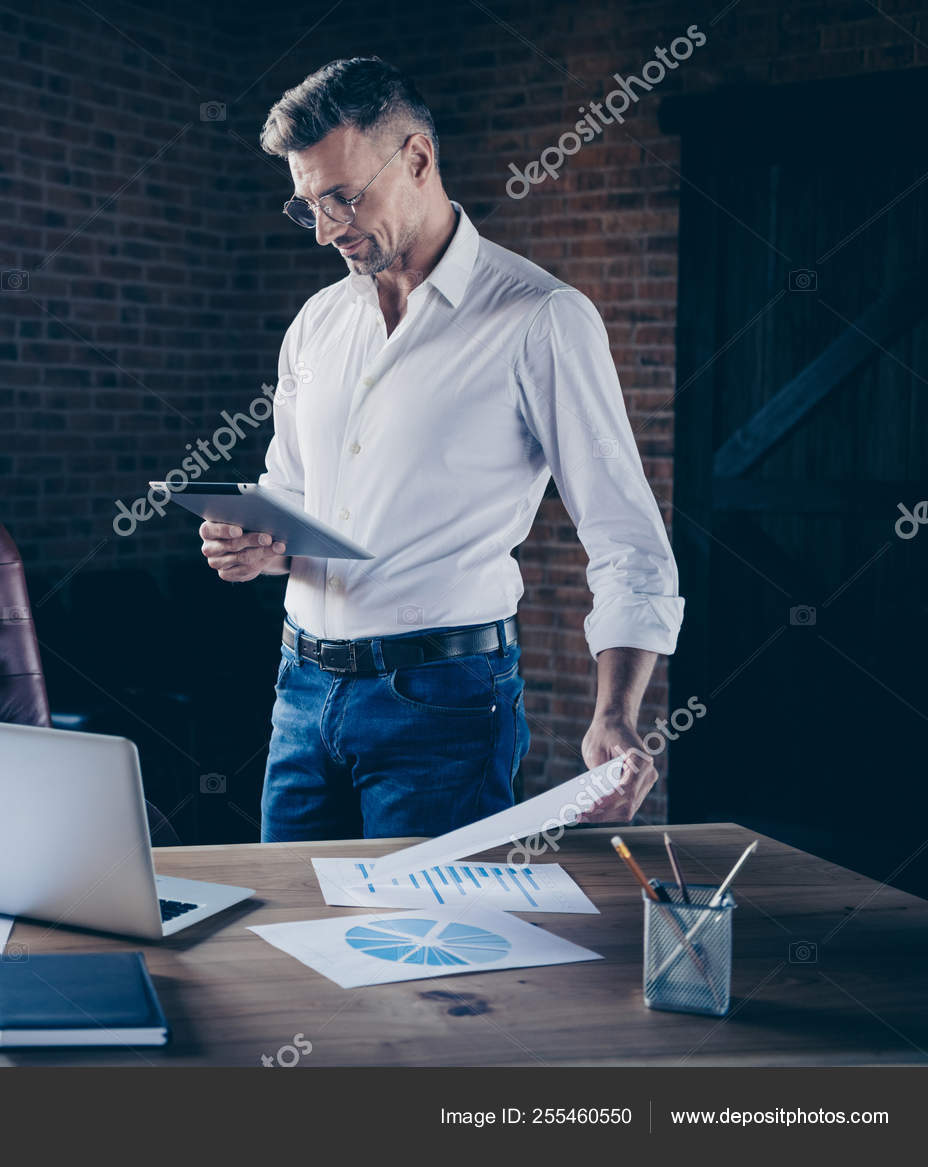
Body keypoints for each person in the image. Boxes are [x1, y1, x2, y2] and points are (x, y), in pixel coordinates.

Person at [199, 57, 683, 842]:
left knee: (424, 959)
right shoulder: (316, 324)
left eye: (342, 198)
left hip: (444, 705)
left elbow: (630, 541)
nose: (325, 230)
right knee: (286, 936)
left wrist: (615, 716)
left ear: (418, 158)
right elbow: (291, 496)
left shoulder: (541, 319)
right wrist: (261, 544)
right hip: (300, 690)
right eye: (306, 207)